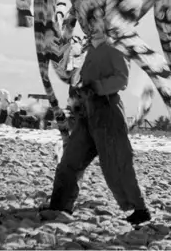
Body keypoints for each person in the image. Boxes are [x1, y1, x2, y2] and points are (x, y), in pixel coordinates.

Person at [44, 29, 152, 226]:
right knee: (70, 160)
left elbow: (122, 79)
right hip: (86, 113)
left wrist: (96, 86)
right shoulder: (86, 49)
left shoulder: (115, 47)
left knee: (117, 163)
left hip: (108, 111)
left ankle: (139, 210)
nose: (90, 23)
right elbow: (76, 77)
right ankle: (59, 205)